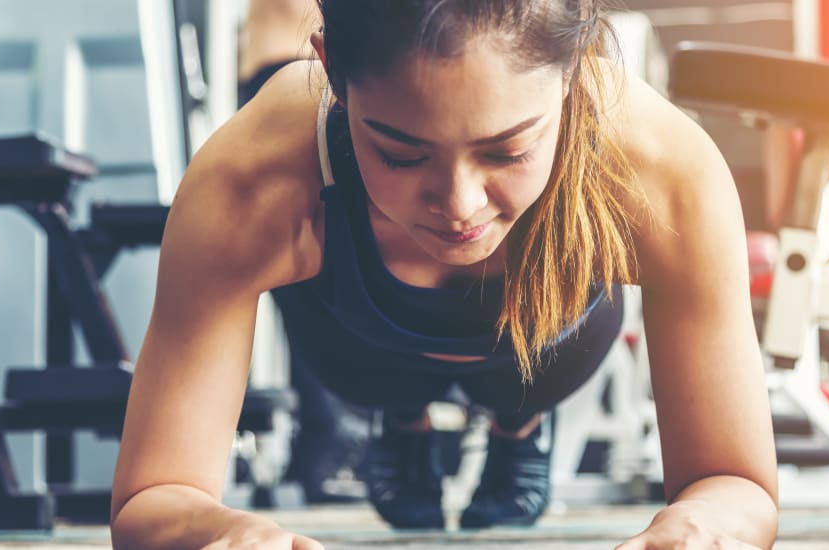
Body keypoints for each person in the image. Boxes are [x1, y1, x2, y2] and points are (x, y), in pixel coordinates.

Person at [110, 1, 779, 548]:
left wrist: (700, 528)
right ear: (330, 70)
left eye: (507, 150)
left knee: (526, 376)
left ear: (577, 68)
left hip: (544, 351)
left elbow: (736, 482)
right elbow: (151, 498)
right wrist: (226, 534)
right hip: (359, 355)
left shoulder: (665, 170)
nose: (459, 206)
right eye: (401, 154)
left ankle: (517, 427)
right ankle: (405, 421)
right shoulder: (250, 182)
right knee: (378, 374)